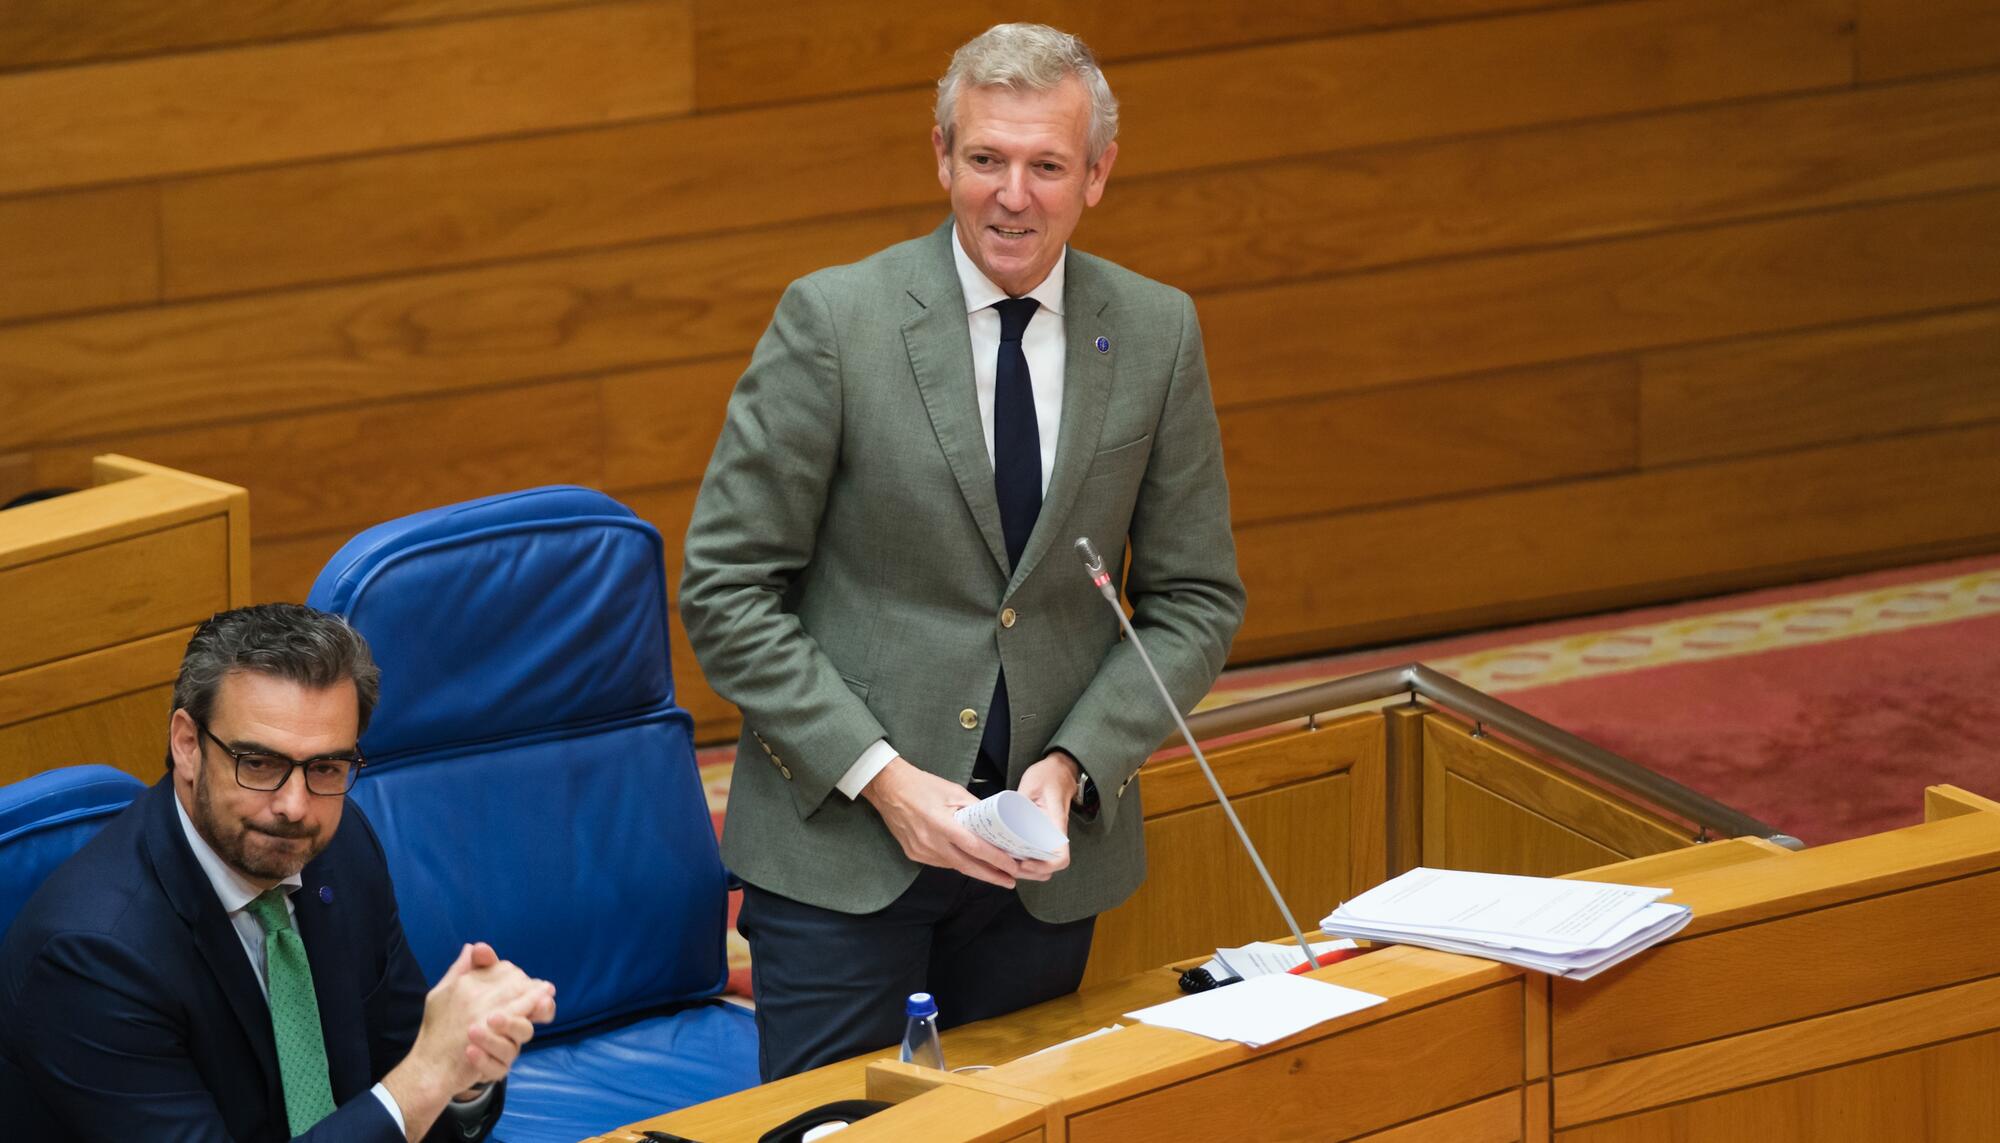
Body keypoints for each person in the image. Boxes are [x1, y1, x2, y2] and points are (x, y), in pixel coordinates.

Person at [680, 22, 1245, 1079]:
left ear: (1097, 175)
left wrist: (1075, 764)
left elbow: (1194, 600)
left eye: (1046, 165)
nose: (1012, 195)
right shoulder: (834, 322)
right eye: (985, 159)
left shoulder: (1157, 332)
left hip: (1038, 872)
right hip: (843, 854)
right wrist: (884, 778)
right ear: (941, 156)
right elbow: (725, 589)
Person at [0, 604, 557, 1141]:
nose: (294, 805)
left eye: (326, 766)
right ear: (188, 745)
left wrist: (466, 1071)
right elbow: (407, 1088)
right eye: (259, 764)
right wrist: (425, 1080)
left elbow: (403, 1074)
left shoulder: (338, 848)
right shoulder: (91, 958)